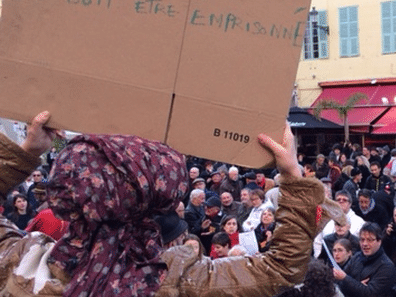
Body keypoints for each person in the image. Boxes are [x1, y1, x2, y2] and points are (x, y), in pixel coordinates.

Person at [0, 112, 342, 296]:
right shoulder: (175, 281)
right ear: (157, 201)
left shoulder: (20, 263)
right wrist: (293, 177)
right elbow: (281, 269)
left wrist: (26, 152)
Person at [333, 222, 395, 297]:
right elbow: (339, 283)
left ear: (379, 241)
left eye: (369, 240)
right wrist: (358, 285)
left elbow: (370, 293)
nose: (365, 244)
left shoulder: (386, 266)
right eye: (362, 240)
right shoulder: (356, 257)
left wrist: (346, 279)